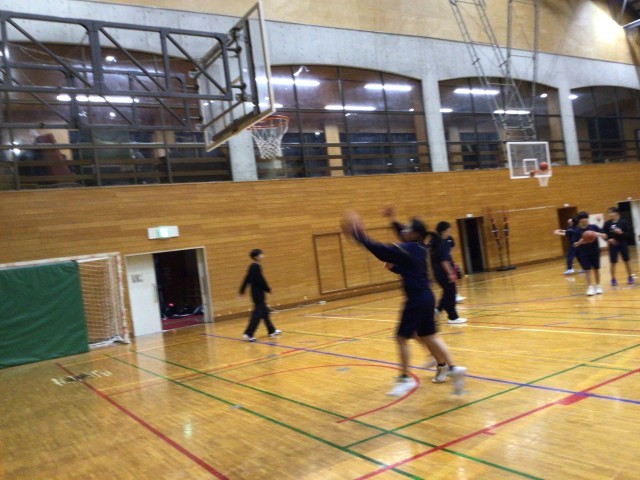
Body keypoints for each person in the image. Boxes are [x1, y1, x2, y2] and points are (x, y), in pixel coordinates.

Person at [342, 209, 466, 396]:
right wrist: (394, 267)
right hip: (427, 297)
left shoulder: (408, 248)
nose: (404, 230)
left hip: (416, 299)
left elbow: (381, 250)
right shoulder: (420, 249)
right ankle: (454, 369)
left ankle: (404, 379)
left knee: (401, 338)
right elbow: (408, 269)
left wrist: (360, 236)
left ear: (414, 233)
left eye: (407, 228)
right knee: (430, 336)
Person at [555, 211, 606, 296]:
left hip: (595, 251)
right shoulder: (577, 231)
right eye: (583, 221)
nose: (585, 222)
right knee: (587, 270)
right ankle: (590, 287)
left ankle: (598, 286)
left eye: (586, 220)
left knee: (596, 269)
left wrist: (598, 234)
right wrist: (581, 241)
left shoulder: (593, 227)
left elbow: (605, 235)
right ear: (579, 221)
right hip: (584, 253)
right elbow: (574, 244)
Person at [239, 249, 281, 341]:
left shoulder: (252, 266)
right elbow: (260, 280)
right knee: (257, 315)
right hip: (258, 294)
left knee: (265, 312)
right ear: (256, 257)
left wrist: (242, 290)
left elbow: (246, 279)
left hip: (256, 293)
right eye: (260, 255)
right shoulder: (255, 267)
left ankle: (271, 330)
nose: (262, 256)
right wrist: (267, 289)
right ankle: (248, 334)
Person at [430, 221, 468, 324]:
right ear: (443, 231)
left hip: (437, 273)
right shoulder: (441, 243)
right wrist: (450, 273)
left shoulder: (434, 241)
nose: (449, 233)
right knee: (450, 294)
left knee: (448, 293)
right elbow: (444, 260)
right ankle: (452, 317)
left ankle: (438, 310)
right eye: (448, 231)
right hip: (443, 273)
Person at [603, 207, 634, 286]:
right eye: (609, 213)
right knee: (613, 262)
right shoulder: (607, 224)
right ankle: (613, 279)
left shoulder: (623, 222)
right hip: (613, 245)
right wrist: (608, 240)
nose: (610, 214)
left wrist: (622, 233)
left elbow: (630, 234)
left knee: (626, 261)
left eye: (611, 212)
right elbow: (604, 235)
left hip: (623, 243)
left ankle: (630, 277)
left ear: (616, 213)